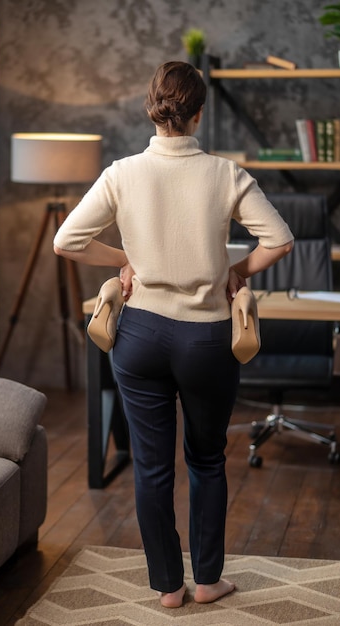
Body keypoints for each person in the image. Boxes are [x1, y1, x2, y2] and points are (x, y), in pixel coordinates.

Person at [53, 61, 294, 608]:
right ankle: (208, 580)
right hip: (206, 339)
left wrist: (127, 261)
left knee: (151, 466)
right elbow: (278, 240)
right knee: (207, 459)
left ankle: (167, 586)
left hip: (139, 339)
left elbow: (66, 242)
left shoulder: (122, 172)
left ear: (152, 108)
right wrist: (239, 272)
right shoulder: (225, 173)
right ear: (200, 113)